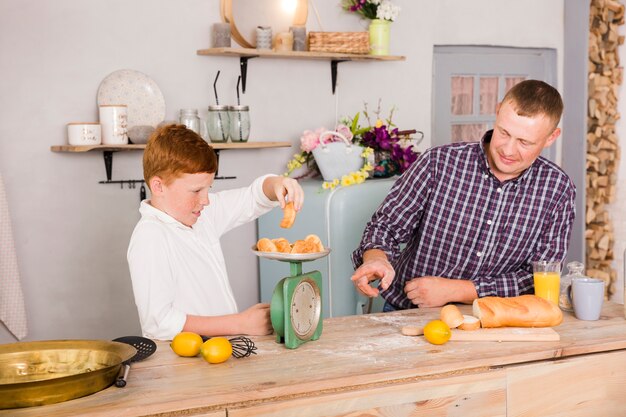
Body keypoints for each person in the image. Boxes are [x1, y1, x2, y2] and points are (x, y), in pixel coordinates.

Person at [351, 80, 576, 311]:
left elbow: (540, 276)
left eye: (524, 142)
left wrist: (457, 290)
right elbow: (385, 227)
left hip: (496, 321)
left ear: (551, 137)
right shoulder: (439, 162)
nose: (508, 150)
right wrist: (375, 259)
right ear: (498, 112)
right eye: (504, 132)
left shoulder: (558, 190)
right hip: (407, 312)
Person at [127, 124, 303, 340]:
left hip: (219, 352)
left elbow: (252, 198)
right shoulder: (150, 237)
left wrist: (278, 183)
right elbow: (159, 323)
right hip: (183, 363)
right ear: (158, 187)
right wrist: (240, 323)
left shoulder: (202, 214)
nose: (206, 200)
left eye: (208, 188)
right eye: (196, 190)